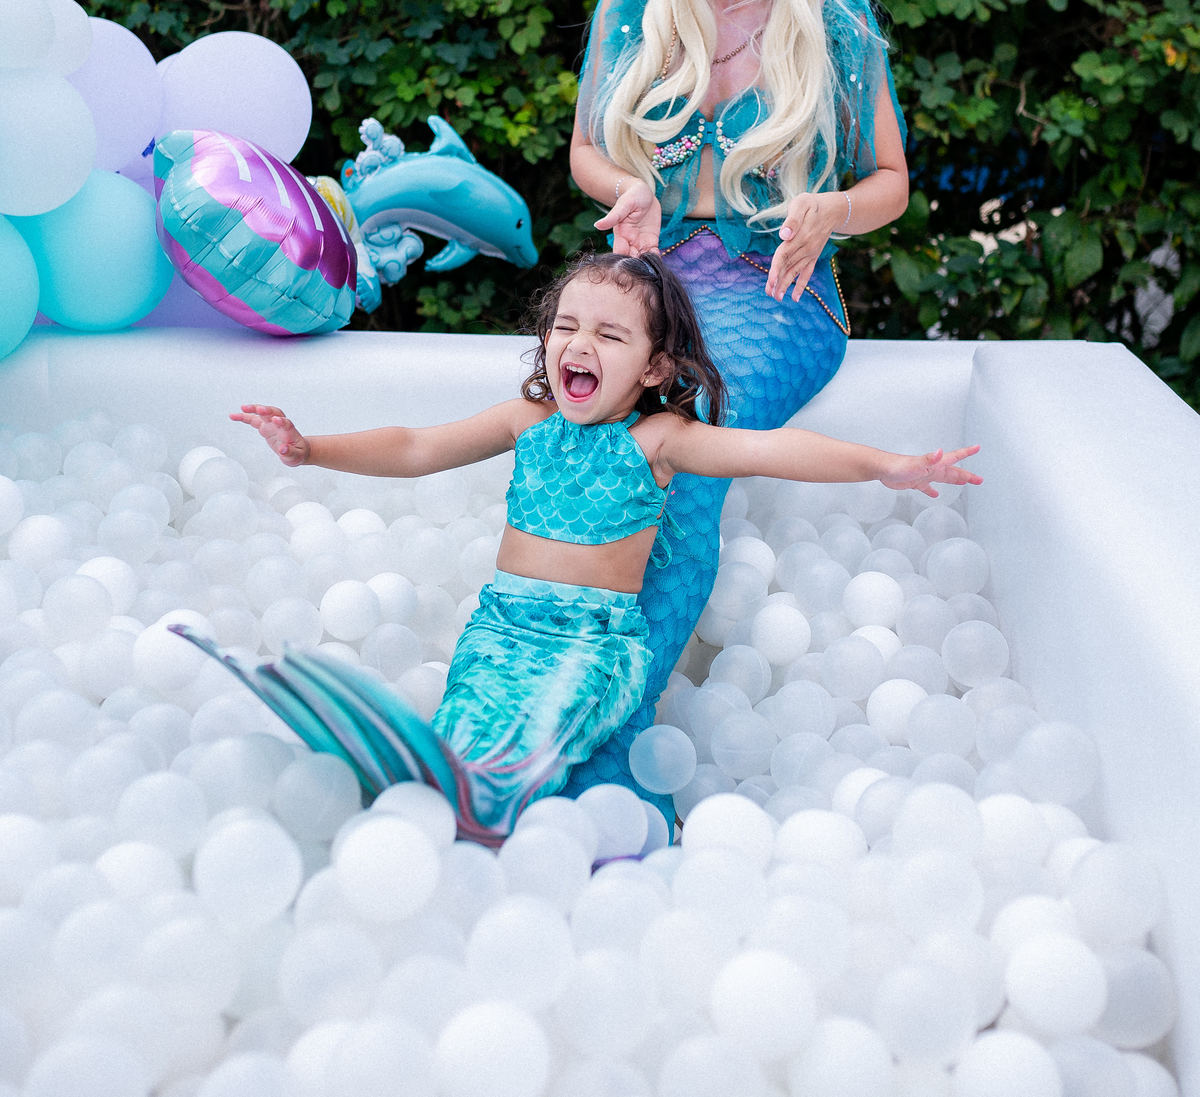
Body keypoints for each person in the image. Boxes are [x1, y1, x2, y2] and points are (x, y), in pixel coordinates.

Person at [174, 252, 979, 845]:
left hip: (592, 643)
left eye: (608, 333)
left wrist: (886, 464)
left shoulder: (660, 439)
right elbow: (417, 444)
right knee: (466, 727)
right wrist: (311, 448)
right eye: (565, 325)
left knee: (541, 731)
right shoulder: (528, 421)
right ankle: (425, 783)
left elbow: (772, 449)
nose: (577, 342)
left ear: (654, 367)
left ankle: (496, 803)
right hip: (501, 627)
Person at [564, 0, 911, 812]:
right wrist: (629, 189)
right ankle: (537, 689)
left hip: (779, 292)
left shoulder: (839, 25)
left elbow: (892, 184)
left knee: (689, 432)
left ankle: (615, 740)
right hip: (652, 275)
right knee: (584, 432)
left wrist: (830, 210)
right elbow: (586, 153)